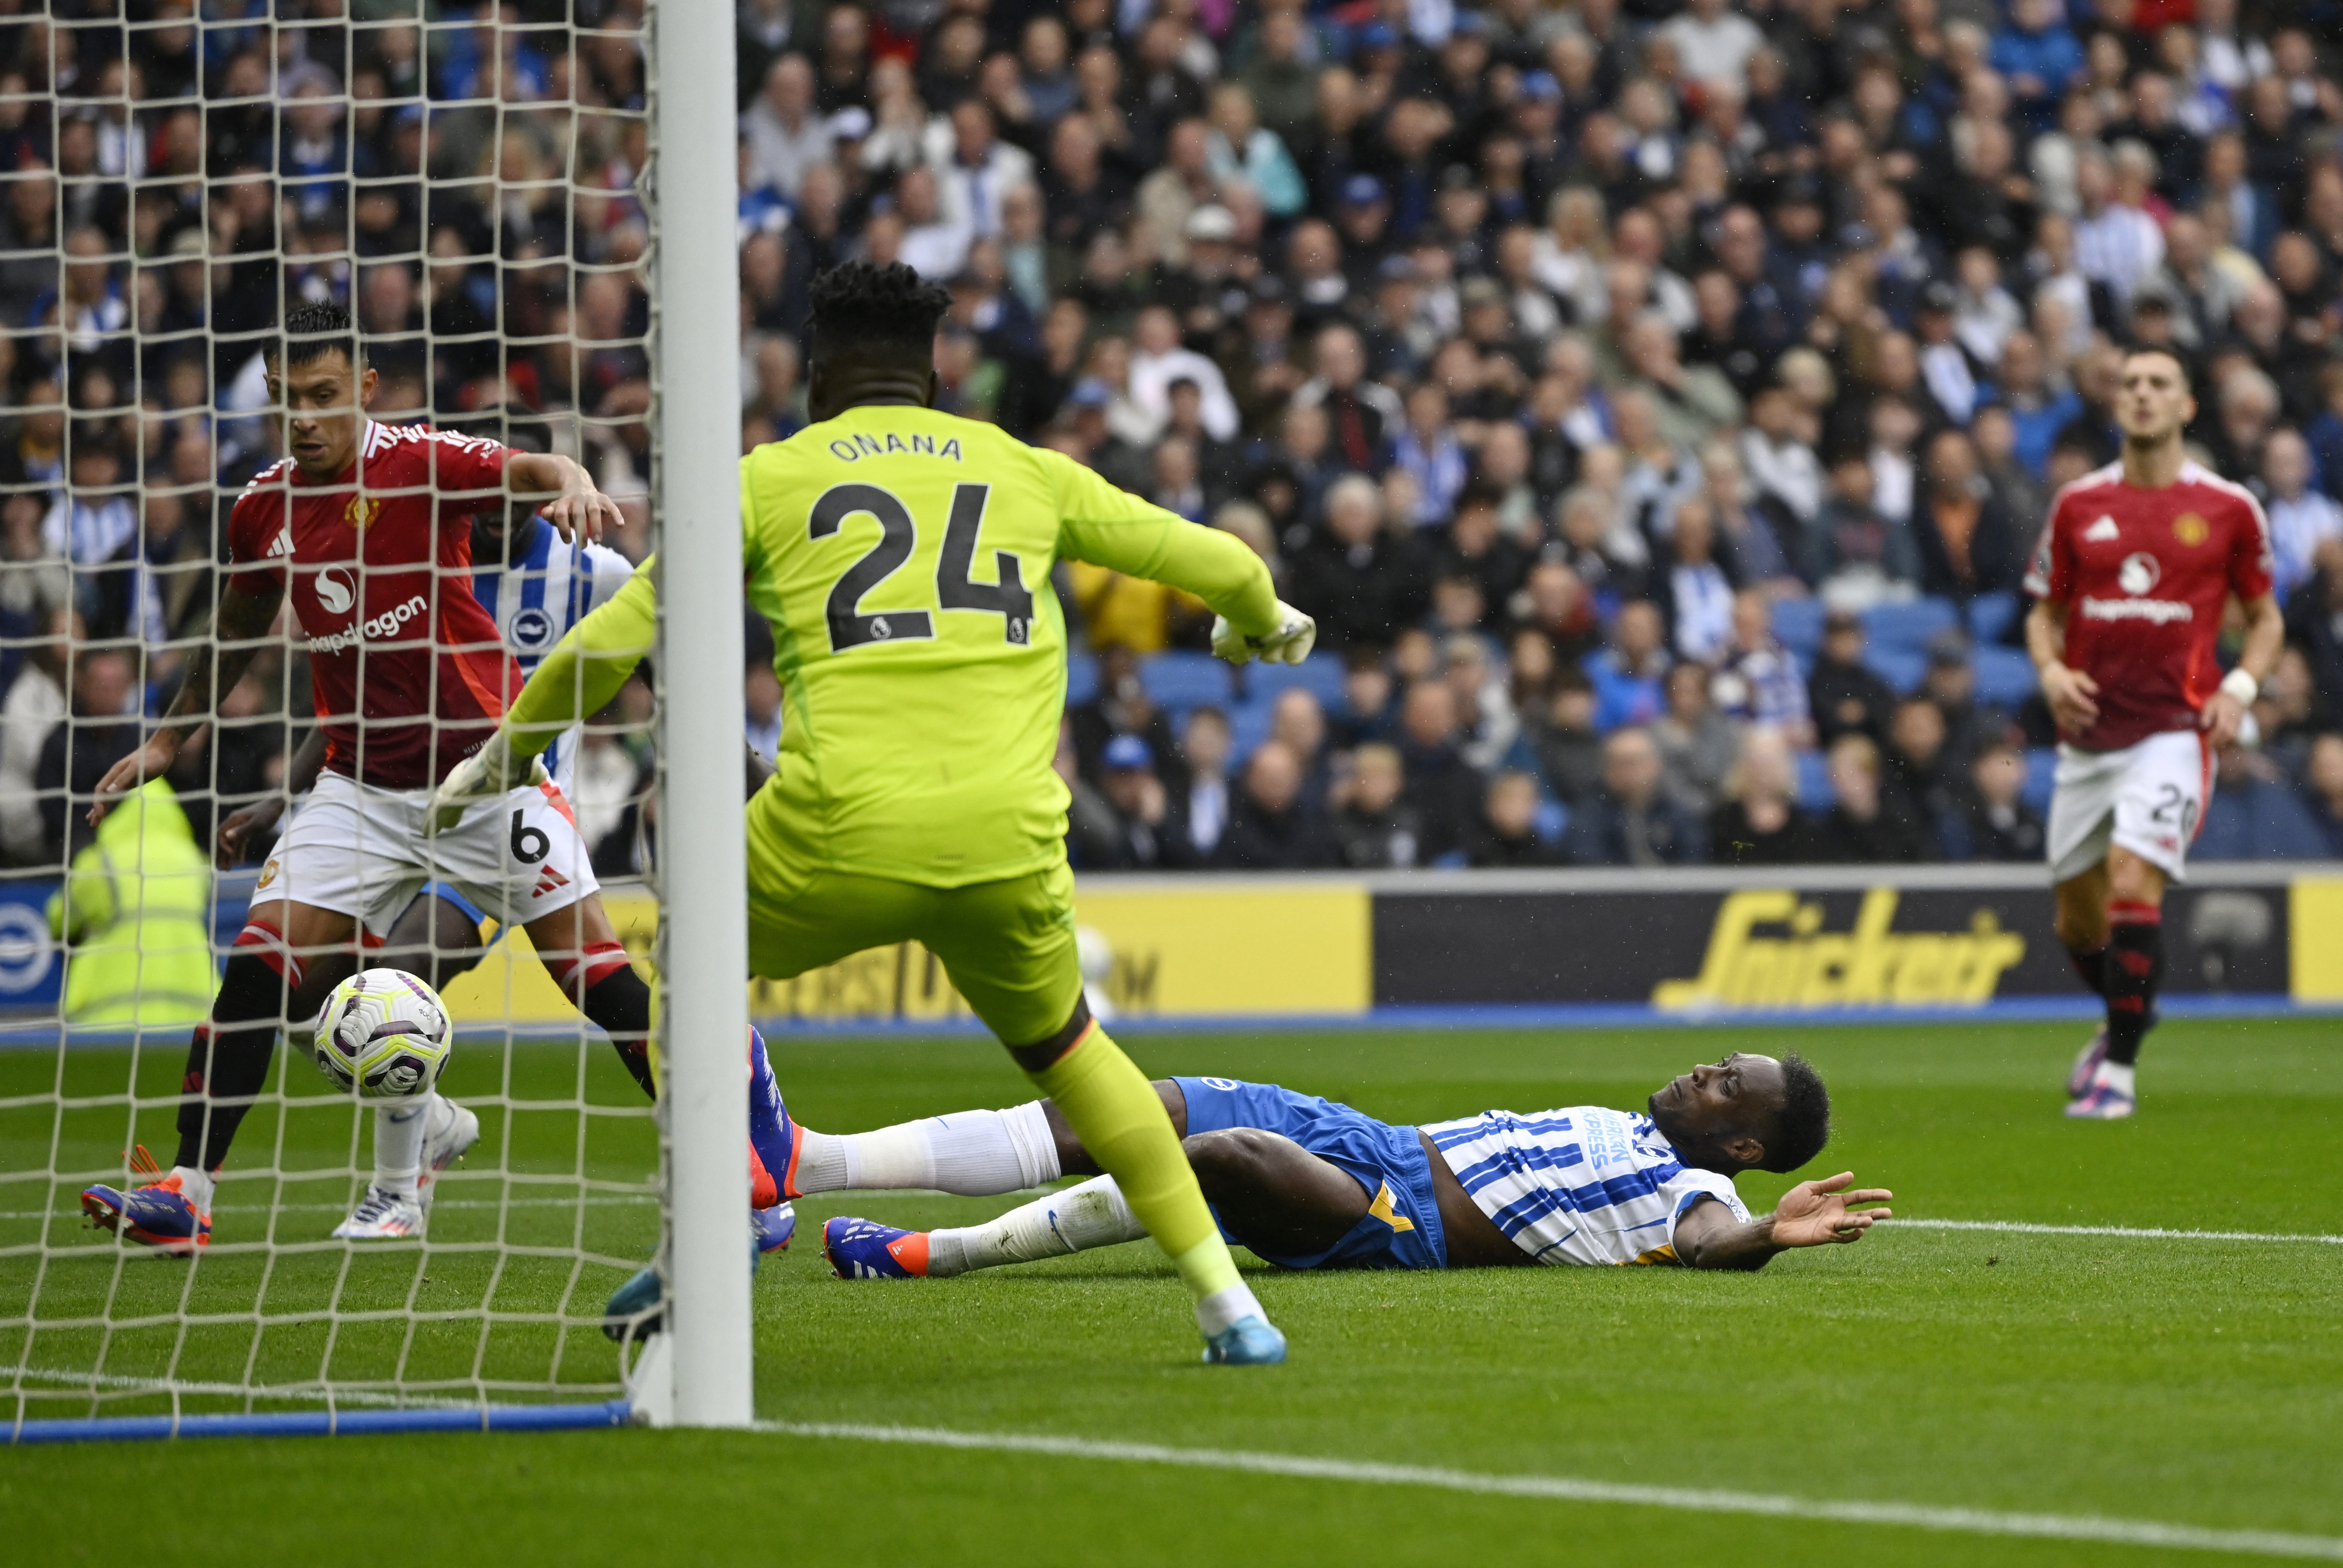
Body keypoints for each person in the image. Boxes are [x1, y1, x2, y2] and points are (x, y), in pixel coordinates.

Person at [433, 262, 1314, 1364]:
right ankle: (1231, 1304)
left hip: (834, 835)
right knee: (1083, 1055)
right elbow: (1222, 560)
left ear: (817, 374)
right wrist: (1261, 620)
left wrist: (501, 753)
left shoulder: (765, 478)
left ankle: (724, 1212)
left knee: (691, 961)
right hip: (1006, 844)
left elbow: (612, 642)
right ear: (933, 372)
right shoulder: (1021, 467)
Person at [76, 303, 646, 1251]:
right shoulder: (262, 507)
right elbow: (237, 629)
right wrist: (172, 741)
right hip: (359, 790)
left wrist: (576, 480)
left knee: (599, 983)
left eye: (325, 397)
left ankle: (743, 1162)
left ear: (366, 390)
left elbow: (532, 469)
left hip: (485, 778)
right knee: (260, 971)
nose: (305, 417)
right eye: (288, 399)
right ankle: (187, 1191)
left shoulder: (422, 462)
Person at [806, 1051, 1888, 1278]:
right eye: (1716, 1062)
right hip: (1371, 1139)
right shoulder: (1644, 1130)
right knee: (1144, 1100)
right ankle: (822, 1160)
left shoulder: (1691, 1190)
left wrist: (1766, 1233)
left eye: (1724, 1086)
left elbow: (1707, 1249)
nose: (1703, 1071)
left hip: (1394, 1218)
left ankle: (926, 1253)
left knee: (1217, 1155)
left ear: (1741, 1148)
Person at [2024, 348, 2282, 1119]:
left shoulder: (2229, 507)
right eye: (2130, 384)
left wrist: (2238, 687)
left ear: (2186, 405)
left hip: (2173, 730)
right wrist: (2047, 671)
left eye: (2158, 383)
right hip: (2088, 735)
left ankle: (2119, 1074)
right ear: (2117, 406)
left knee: (2134, 880)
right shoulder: (2077, 504)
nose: (2141, 394)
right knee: (2076, 917)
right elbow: (2044, 609)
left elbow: (2265, 615)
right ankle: (2126, 1013)